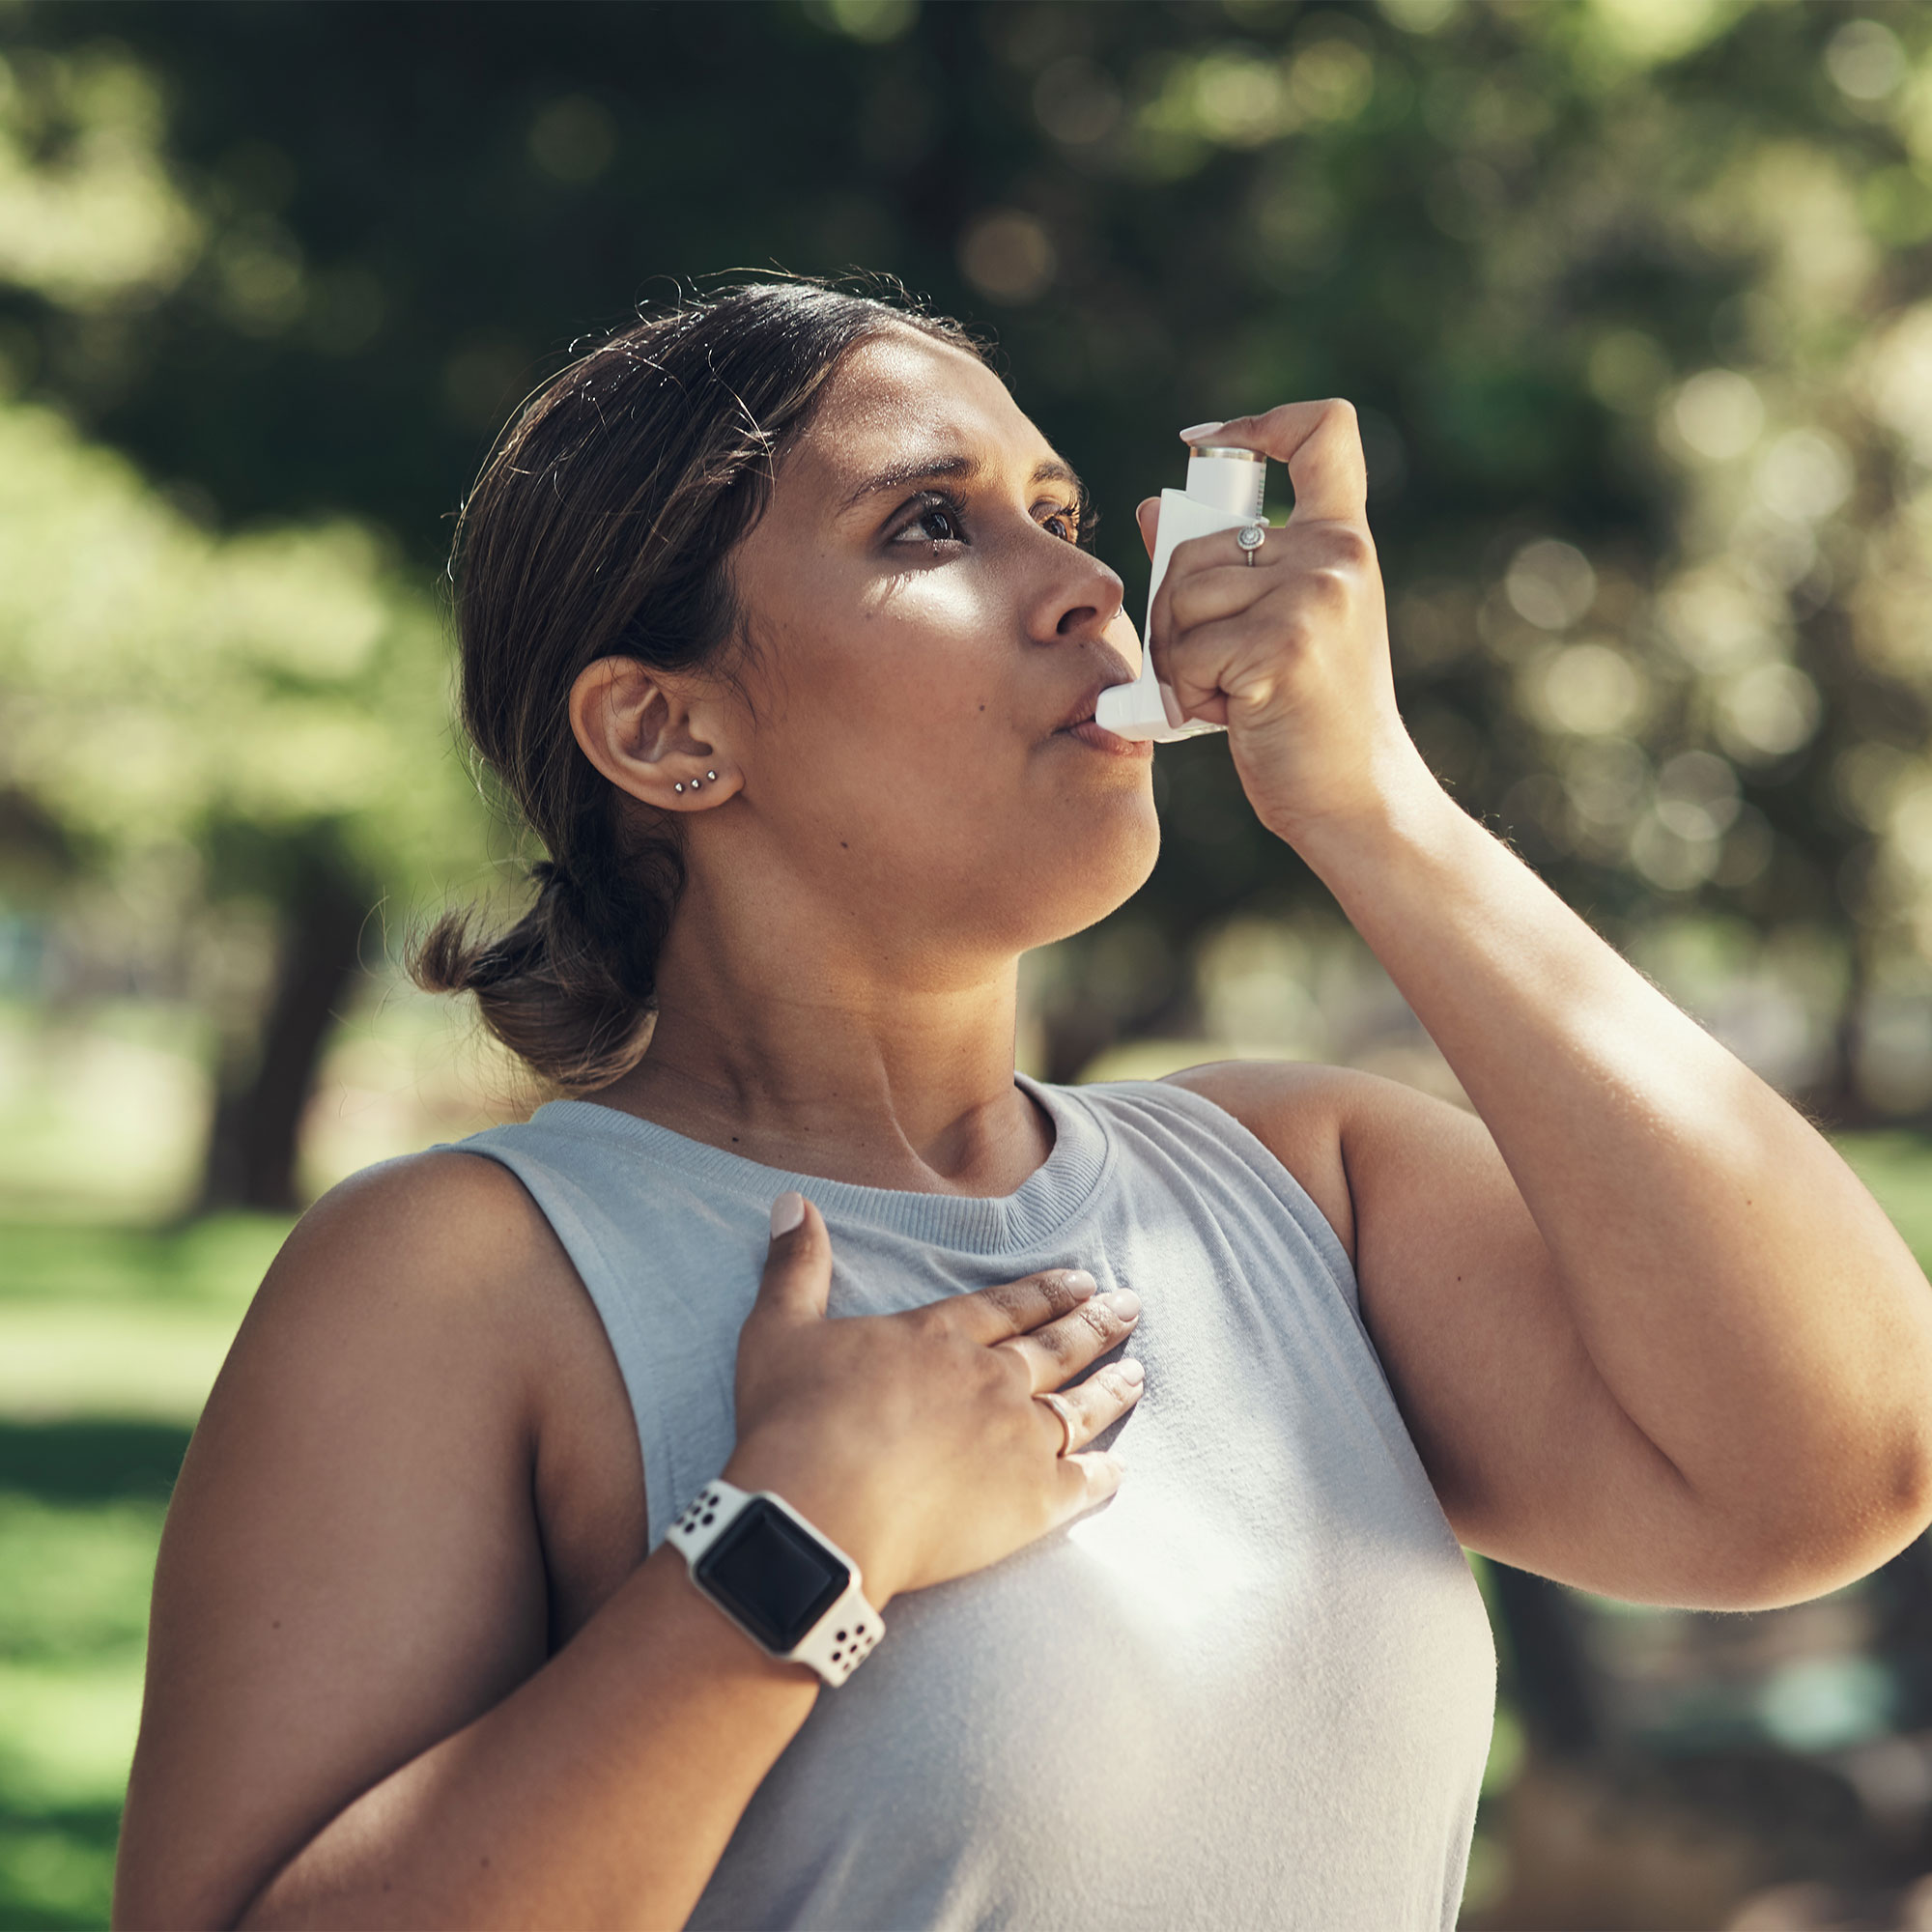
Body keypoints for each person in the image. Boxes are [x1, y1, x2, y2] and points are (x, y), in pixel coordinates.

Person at [113, 278, 1932, 1932]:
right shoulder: (462, 1281)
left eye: (1057, 517)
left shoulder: (1306, 1181)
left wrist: (1376, 805)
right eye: (932, 522)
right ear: (666, 733)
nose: (1087, 588)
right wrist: (798, 1537)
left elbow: (1839, 1466)